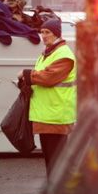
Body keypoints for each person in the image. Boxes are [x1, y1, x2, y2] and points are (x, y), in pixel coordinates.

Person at [19, 17, 77, 176]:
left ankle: (60, 188)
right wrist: (25, 81)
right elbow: (41, 77)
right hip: (47, 114)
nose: (43, 36)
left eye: (47, 32)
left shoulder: (63, 55)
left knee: (56, 159)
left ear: (57, 34)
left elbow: (48, 78)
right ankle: (55, 187)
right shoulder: (48, 53)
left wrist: (26, 74)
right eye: (42, 32)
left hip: (56, 115)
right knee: (52, 159)